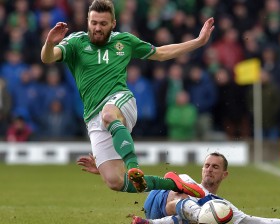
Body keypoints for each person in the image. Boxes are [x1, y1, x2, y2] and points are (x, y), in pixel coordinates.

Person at [40, 0, 215, 197]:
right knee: (115, 181)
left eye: (103, 24)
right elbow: (47, 58)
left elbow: (161, 53)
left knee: (108, 114)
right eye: (94, 22)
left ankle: (133, 165)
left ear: (113, 23)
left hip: (120, 101)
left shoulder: (124, 41)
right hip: (92, 116)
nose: (97, 28)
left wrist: (198, 42)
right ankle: (174, 184)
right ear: (88, 21)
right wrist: (49, 42)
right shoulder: (75, 42)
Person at [77, 152, 280, 224]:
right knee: (185, 186)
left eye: (215, 167)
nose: (209, 169)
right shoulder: (189, 179)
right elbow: (142, 184)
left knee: (215, 214)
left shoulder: (222, 206)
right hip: (158, 200)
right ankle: (186, 203)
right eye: (207, 165)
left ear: (225, 174)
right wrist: (104, 171)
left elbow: (260, 222)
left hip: (167, 216)